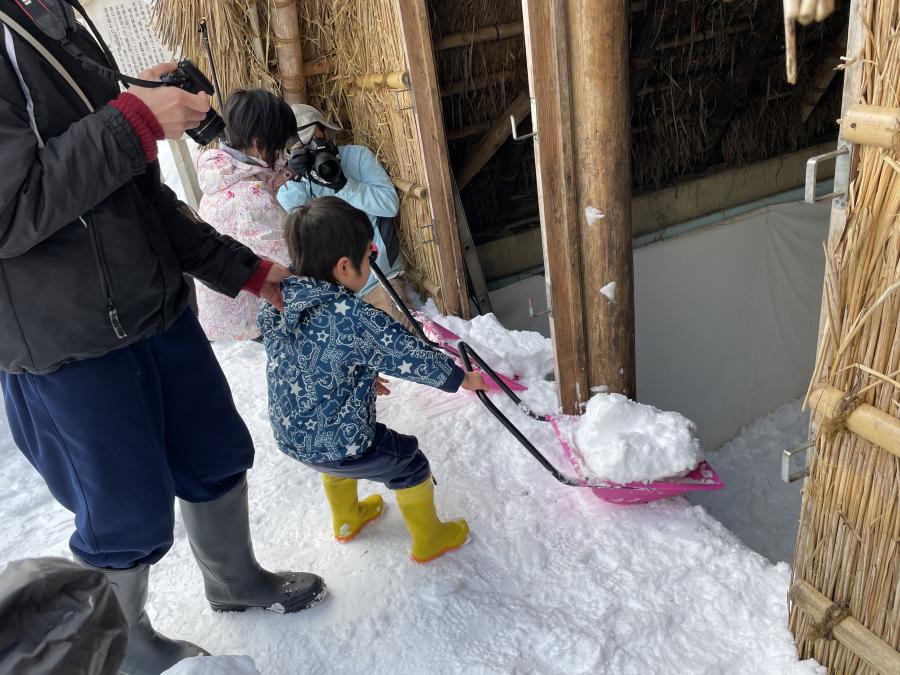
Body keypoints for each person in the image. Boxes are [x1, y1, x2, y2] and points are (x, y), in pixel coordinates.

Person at [0, 2, 325, 673]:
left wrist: (248, 270)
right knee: (125, 514)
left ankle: (236, 582)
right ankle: (126, 643)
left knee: (214, 451)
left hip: (155, 305)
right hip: (67, 343)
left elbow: (134, 190)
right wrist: (131, 121)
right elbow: (11, 211)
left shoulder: (51, 13)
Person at [258, 197, 487, 563]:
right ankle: (430, 539)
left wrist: (357, 374)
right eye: (369, 257)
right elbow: (406, 353)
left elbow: (308, 359)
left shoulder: (276, 301)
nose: (371, 263)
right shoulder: (351, 315)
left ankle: (347, 519)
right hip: (340, 442)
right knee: (409, 462)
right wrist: (460, 377)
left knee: (332, 456)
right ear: (345, 266)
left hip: (292, 437)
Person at [278, 104, 415, 330]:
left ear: (324, 131)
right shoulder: (294, 180)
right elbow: (296, 221)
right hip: (333, 294)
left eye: (314, 139)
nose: (312, 149)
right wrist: (295, 179)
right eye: (302, 146)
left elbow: (389, 205)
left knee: (403, 338)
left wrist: (343, 184)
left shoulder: (358, 156)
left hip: (377, 279)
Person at [195, 88, 295, 341]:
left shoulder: (223, 172)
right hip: (249, 316)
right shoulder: (248, 197)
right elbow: (295, 258)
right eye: (280, 146)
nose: (283, 154)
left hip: (227, 305)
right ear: (259, 144)